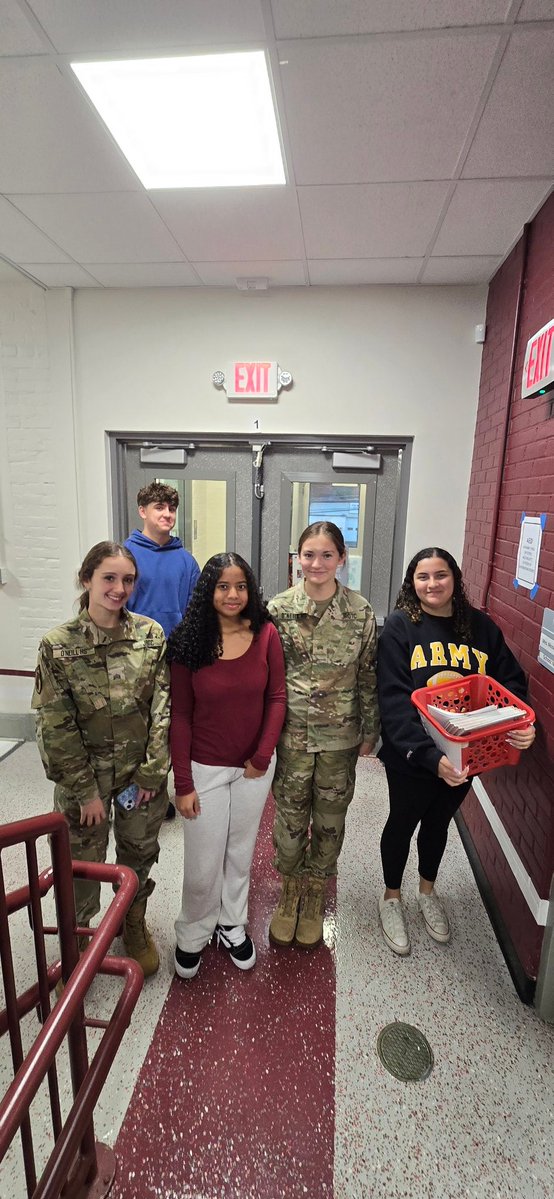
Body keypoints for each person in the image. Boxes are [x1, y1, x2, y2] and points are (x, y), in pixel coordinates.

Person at [377, 546, 536, 956]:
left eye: (441, 575)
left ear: (455, 579)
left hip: (467, 757)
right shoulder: (399, 628)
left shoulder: (481, 629)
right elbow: (393, 701)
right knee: (403, 821)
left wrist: (522, 726)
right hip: (413, 756)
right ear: (412, 582)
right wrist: (430, 758)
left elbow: (512, 686)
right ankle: (391, 897)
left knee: (438, 823)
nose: (432, 585)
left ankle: (427, 892)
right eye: (423, 577)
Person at [32, 541, 170, 978]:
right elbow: (55, 727)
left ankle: (132, 921)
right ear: (86, 579)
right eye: (109, 578)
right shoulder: (58, 646)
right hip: (83, 783)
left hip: (139, 778)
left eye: (127, 579)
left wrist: (151, 771)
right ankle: (79, 939)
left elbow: (163, 709)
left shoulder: (150, 636)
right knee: (79, 865)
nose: (119, 588)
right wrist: (85, 792)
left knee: (139, 853)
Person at [168, 552, 286, 980]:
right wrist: (183, 782)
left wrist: (261, 755)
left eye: (240, 586)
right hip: (205, 767)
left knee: (240, 852)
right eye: (223, 586)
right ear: (208, 591)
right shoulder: (188, 641)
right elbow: (180, 715)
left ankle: (231, 923)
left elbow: (276, 697)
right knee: (203, 859)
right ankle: (193, 931)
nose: (233, 594)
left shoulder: (266, 634)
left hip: (254, 768)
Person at [267, 521, 379, 950]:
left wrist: (371, 730)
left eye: (326, 555)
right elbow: (265, 675)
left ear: (341, 559)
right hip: (292, 733)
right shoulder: (278, 609)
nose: (316, 563)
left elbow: (368, 674)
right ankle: (290, 887)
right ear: (297, 558)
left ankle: (315, 891)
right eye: (308, 555)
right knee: (290, 817)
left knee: (330, 818)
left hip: (340, 736)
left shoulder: (359, 612)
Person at [125, 480, 200, 819]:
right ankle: (125, 794)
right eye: (159, 508)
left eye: (171, 509)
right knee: (131, 728)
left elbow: (195, 613)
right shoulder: (125, 556)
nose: (167, 514)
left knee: (165, 727)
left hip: (173, 662)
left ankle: (157, 792)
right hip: (130, 661)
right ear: (143, 512)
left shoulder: (186, 562)